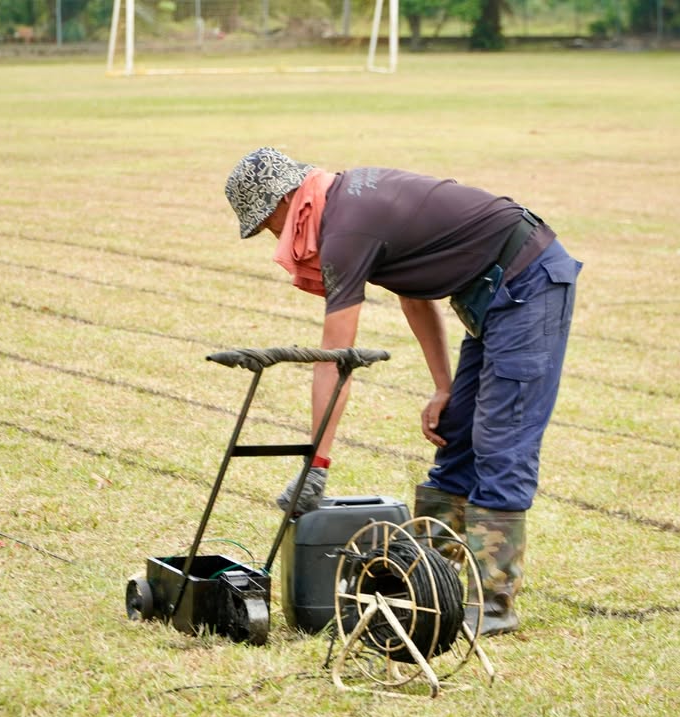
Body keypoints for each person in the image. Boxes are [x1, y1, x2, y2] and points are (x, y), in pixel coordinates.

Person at [225, 147, 581, 635]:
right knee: (457, 435)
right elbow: (415, 292)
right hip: (489, 289)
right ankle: (431, 584)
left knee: (502, 439)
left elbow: (335, 361)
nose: (273, 236)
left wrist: (317, 465)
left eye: (267, 223)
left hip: (527, 283)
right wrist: (443, 388)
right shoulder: (342, 205)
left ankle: (492, 604)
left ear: (285, 200)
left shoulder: (345, 230)